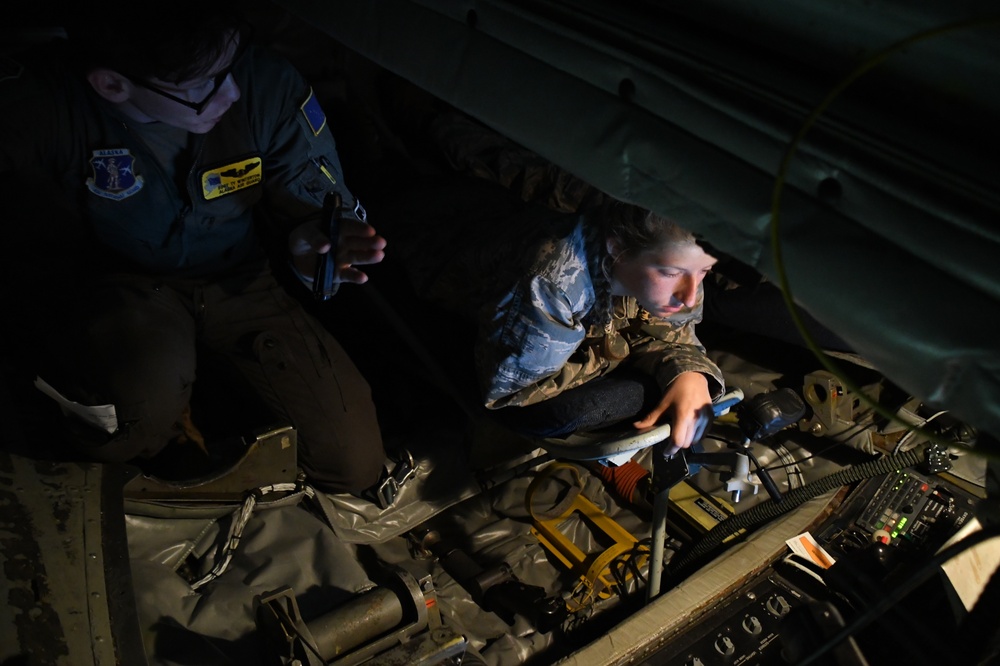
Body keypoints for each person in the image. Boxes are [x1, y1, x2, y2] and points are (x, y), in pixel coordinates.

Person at [0, 4, 388, 493]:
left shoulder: (260, 82)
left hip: (241, 276)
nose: (231, 92)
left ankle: (205, 394)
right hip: (120, 282)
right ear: (113, 85)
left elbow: (313, 193)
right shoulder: (45, 100)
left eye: (230, 65)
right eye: (201, 87)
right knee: (124, 432)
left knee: (351, 465)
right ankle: (165, 406)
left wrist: (311, 242)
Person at [475, 200, 725, 454]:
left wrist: (688, 373)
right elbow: (509, 394)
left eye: (705, 271)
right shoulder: (553, 283)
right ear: (618, 248)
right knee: (579, 410)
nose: (690, 296)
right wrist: (623, 350)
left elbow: (677, 338)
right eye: (671, 274)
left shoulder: (679, 266)